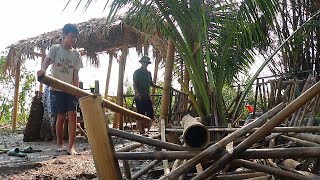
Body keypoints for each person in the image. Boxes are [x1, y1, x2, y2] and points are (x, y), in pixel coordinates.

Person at [37, 23, 83, 155]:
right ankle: (59, 143)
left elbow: (76, 74)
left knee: (73, 115)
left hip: (70, 89)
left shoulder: (76, 54)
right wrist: (42, 70)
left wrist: (76, 90)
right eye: (71, 36)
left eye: (75, 37)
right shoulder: (55, 49)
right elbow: (46, 61)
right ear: (64, 35)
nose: (73, 39)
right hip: (56, 89)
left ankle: (72, 146)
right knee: (61, 116)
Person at [133, 56, 160, 134]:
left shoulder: (149, 73)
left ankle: (144, 129)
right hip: (139, 97)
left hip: (147, 96)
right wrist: (137, 93)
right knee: (141, 114)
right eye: (144, 62)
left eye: (147, 63)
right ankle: (142, 131)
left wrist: (160, 87)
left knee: (150, 114)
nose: (146, 64)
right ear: (141, 63)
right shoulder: (137, 72)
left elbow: (151, 83)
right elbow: (135, 83)